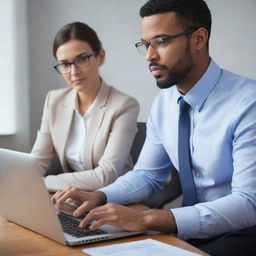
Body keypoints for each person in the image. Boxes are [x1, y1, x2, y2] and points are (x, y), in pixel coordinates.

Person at [52, 1, 256, 255]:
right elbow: (147, 175)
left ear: (198, 39)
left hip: (243, 234)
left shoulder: (249, 104)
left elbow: (249, 204)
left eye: (161, 42)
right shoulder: (165, 102)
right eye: (146, 44)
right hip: (187, 231)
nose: (149, 56)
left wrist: (147, 219)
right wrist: (100, 196)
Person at [31, 22, 139, 192]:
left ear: (100, 56)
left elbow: (106, 175)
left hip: (113, 199)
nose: (74, 72)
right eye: (65, 64)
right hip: (71, 197)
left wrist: (43, 182)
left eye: (82, 59)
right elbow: (38, 161)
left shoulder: (124, 105)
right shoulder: (54, 100)